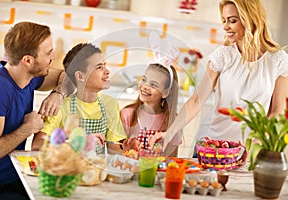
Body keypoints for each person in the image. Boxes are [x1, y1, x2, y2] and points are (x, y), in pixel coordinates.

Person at [150, 0, 288, 152]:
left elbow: (277, 110)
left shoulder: (278, 60)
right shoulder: (223, 56)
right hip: (213, 145)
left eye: (232, 20)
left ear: (250, 19)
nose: (225, 26)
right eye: (224, 20)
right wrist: (168, 134)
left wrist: (257, 143)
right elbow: (197, 100)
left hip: (251, 148)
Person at [0, 22, 66, 199]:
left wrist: (57, 93)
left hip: (17, 176)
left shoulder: (28, 77)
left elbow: (66, 75)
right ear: (28, 60)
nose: (53, 56)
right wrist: (28, 128)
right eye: (48, 53)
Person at [32, 43, 132, 154]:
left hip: (96, 170)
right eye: (99, 67)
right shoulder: (61, 106)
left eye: (105, 65)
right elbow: (37, 145)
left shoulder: (110, 104)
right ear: (80, 76)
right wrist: (77, 143)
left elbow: (113, 149)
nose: (107, 71)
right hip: (67, 169)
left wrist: (127, 147)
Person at [120, 63, 182, 156]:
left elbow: (172, 159)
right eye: (144, 80)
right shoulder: (127, 115)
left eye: (153, 85)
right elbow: (117, 155)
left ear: (165, 93)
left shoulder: (173, 122)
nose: (145, 86)